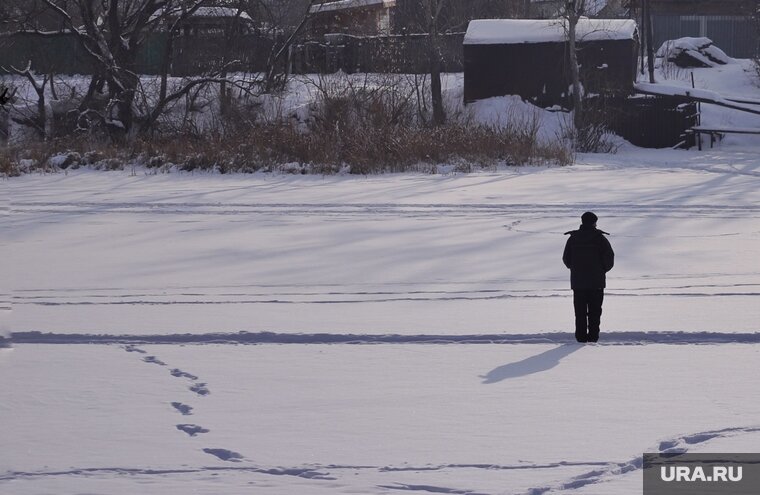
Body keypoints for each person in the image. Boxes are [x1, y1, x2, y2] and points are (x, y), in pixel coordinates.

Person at [562, 212, 614, 343]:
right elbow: (609, 258)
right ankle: (593, 339)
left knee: (579, 312)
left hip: (578, 283)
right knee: (595, 312)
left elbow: (566, 259)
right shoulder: (600, 238)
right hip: (596, 282)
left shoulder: (573, 238)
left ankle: (580, 338)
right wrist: (601, 270)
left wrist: (576, 270)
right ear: (594, 222)